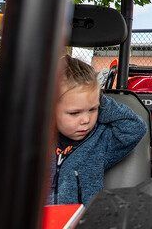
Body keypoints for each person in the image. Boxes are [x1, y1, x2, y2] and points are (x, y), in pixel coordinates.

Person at [49, 55, 146, 205]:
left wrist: (98, 99)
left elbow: (135, 128)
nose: (86, 120)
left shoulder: (101, 141)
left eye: (93, 109)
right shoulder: (36, 140)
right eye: (75, 113)